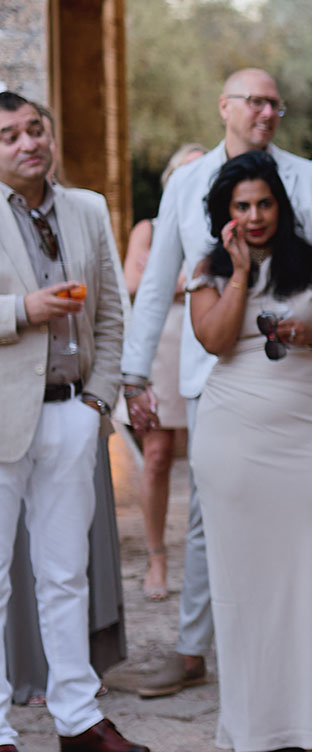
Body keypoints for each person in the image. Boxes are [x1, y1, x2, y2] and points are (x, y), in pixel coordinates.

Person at [119, 68, 312, 698]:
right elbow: (156, 284)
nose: (267, 112)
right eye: (255, 101)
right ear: (225, 106)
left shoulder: (310, 177)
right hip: (215, 375)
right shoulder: (187, 183)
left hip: (299, 380)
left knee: (302, 515)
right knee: (208, 516)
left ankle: (302, 650)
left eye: (276, 103)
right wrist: (134, 377)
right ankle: (193, 650)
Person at [187, 151, 312, 751]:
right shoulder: (208, 270)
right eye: (242, 206)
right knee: (246, 579)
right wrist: (240, 273)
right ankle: (256, 722)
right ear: (226, 213)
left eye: (265, 203)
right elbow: (215, 340)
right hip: (234, 437)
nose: (256, 215)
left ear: (280, 206)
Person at [0, 91, 149, 752]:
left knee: (67, 575)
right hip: (1, 421)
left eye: (35, 129)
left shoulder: (87, 209)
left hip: (73, 413)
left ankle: (79, 720)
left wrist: (98, 402)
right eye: (9, 136)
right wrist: (22, 311)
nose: (28, 143)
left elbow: (113, 314)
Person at [120, 141, 206, 601]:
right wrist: (184, 282)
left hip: (203, 341)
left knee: (206, 459)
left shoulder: (220, 226)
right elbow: (135, 283)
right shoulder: (149, 228)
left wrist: (172, 280)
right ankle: (157, 557)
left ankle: (204, 558)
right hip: (161, 344)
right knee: (157, 455)